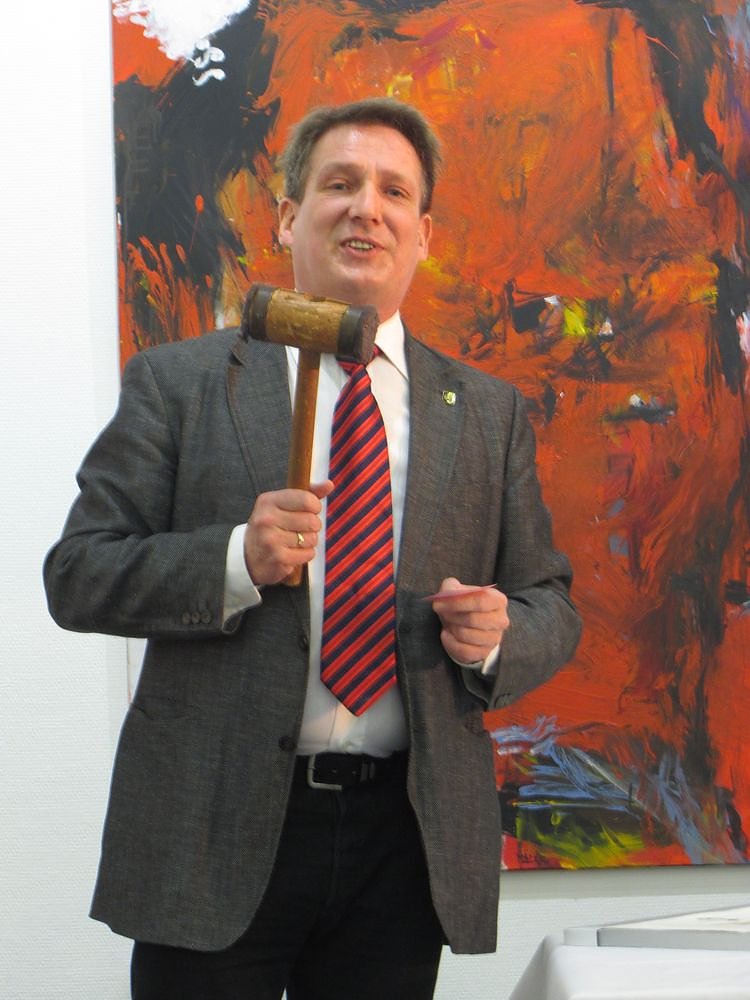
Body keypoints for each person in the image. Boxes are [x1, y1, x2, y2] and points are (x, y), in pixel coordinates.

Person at [44, 97, 581, 1000]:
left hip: (402, 847)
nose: (367, 207)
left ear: (423, 234)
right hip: (211, 833)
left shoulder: (488, 413)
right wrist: (234, 560)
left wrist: (498, 636)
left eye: (394, 192)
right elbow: (77, 573)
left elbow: (549, 602)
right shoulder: (179, 383)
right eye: (341, 184)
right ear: (289, 217)